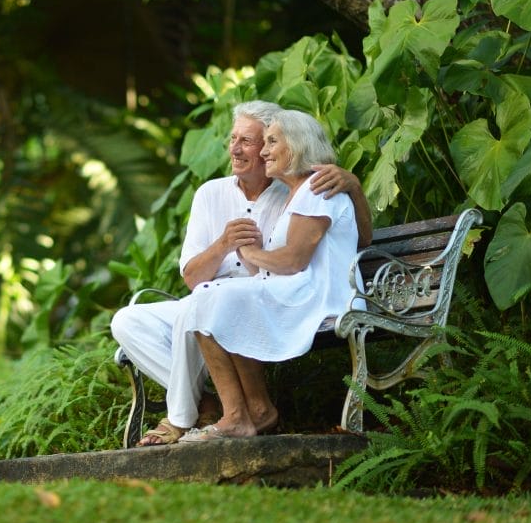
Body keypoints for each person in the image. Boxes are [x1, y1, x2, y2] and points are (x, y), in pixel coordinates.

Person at [110, 101, 372, 446]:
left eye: (254, 141)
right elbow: (192, 278)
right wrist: (223, 244)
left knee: (211, 303)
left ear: (286, 146)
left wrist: (353, 184)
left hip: (269, 295)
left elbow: (336, 244)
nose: (241, 149)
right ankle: (207, 404)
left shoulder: (303, 189)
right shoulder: (213, 193)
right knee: (131, 320)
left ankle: (183, 418)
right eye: (235, 140)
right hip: (230, 294)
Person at [177, 108, 362, 442]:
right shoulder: (300, 192)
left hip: (320, 297)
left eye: (271, 142)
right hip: (300, 290)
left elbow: (292, 260)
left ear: (296, 146)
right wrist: (253, 256)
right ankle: (252, 412)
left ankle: (238, 416)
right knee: (213, 299)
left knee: (212, 299)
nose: (263, 151)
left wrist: (247, 252)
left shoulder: (316, 188)